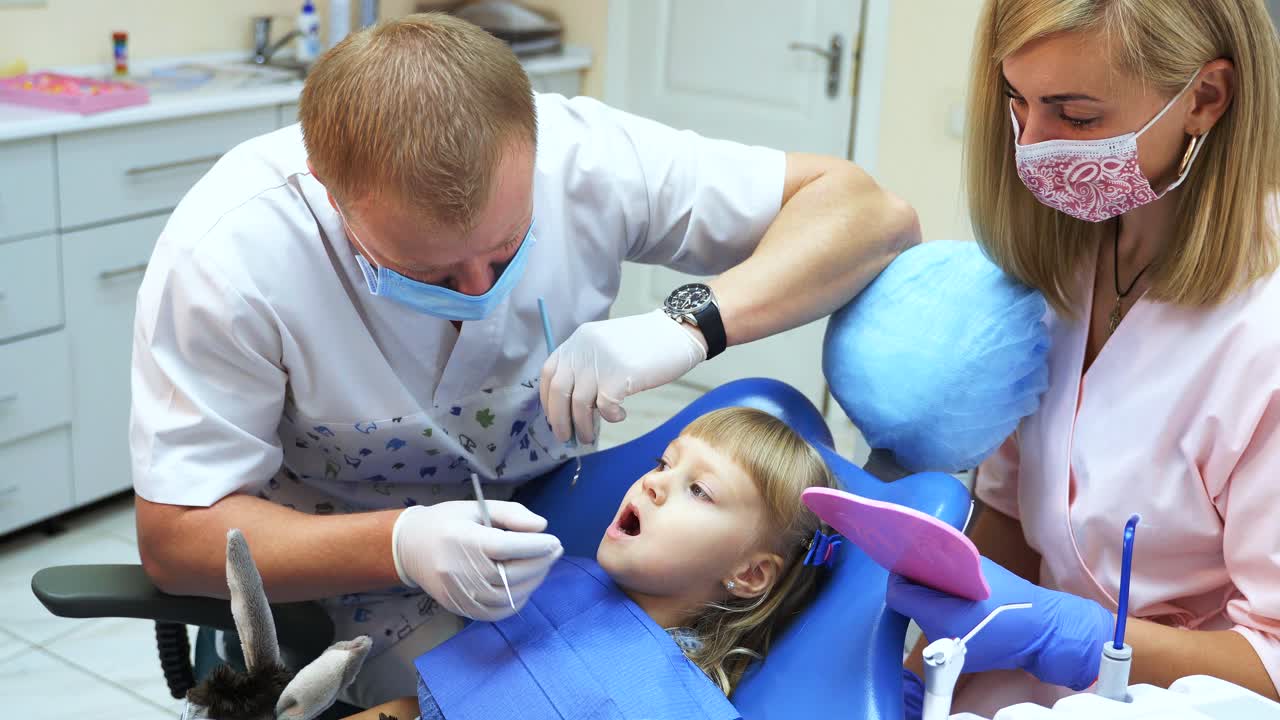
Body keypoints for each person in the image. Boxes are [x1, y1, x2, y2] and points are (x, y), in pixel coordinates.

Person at [130, 12, 919, 707]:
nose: (480, 290)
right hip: (345, 583)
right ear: (335, 201)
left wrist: (689, 322)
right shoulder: (231, 256)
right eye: (432, 274)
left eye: (508, 249)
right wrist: (403, 543)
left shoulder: (589, 158)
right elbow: (176, 536)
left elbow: (868, 213)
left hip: (557, 543)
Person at [887, 0, 1280, 714]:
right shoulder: (1066, 259)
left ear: (1205, 98)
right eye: (1018, 101)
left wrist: (1075, 635)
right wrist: (919, 671)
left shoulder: (1264, 334)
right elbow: (1008, 514)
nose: (1032, 142)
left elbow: (1275, 660)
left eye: (1075, 115)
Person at [335, 407, 839, 720]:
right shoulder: (564, 581)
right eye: (665, 462)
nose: (654, 482)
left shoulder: (673, 701)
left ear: (750, 574)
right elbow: (426, 706)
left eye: (699, 490)